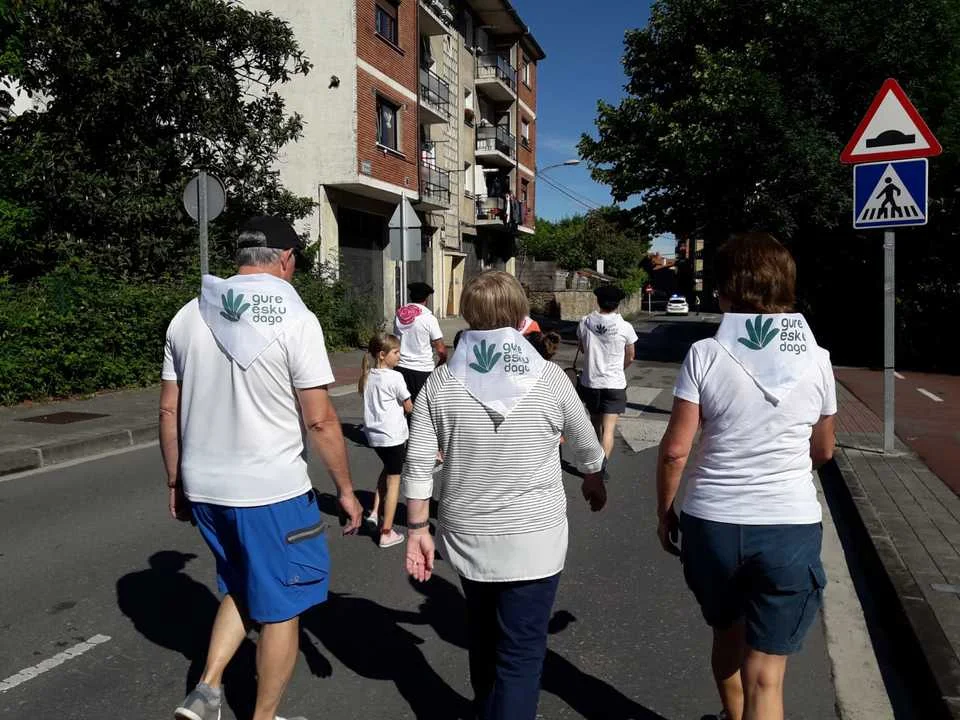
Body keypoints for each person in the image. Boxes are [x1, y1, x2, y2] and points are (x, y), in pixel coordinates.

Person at [160, 215, 363, 720]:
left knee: (241, 583)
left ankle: (208, 688)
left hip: (206, 487)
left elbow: (167, 410)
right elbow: (319, 419)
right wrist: (345, 490)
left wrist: (176, 481)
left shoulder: (189, 314)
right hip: (270, 491)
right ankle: (264, 717)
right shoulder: (297, 318)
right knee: (283, 607)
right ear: (286, 258)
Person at [402, 271, 608, 720]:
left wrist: (417, 527)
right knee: (521, 652)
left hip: (468, 533)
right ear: (520, 316)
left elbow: (417, 462)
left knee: (482, 635)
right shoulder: (550, 378)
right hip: (534, 537)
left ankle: (485, 709)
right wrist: (593, 476)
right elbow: (586, 444)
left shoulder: (441, 382)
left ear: (468, 315)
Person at [655, 232, 836, 720]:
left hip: (712, 523)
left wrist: (665, 512)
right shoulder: (818, 359)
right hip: (788, 527)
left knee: (726, 636)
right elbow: (824, 449)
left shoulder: (706, 353)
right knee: (766, 676)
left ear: (729, 290)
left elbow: (675, 451)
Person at [358, 332, 413, 548]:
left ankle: (374, 512)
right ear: (382, 355)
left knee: (387, 470)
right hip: (393, 436)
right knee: (394, 480)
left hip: (374, 436)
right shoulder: (395, 377)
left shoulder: (368, 375)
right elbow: (408, 406)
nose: (399, 356)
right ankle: (387, 532)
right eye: (396, 352)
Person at [577, 285, 638, 458]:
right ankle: (601, 467)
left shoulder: (585, 322)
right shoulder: (625, 327)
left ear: (598, 301)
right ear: (618, 304)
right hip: (614, 384)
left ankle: (594, 461)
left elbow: (582, 348)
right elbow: (631, 356)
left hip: (591, 382)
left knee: (595, 425)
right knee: (608, 430)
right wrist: (619, 368)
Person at [394, 282, 447, 403]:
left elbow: (396, 341)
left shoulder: (400, 316)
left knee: (403, 406)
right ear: (426, 299)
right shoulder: (429, 318)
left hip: (400, 368)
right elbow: (441, 350)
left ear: (410, 296)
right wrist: (441, 363)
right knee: (422, 408)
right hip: (422, 370)